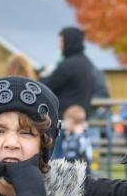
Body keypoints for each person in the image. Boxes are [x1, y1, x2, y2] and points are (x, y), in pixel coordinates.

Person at [40, 27, 99, 158]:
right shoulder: (87, 64)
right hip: (79, 120)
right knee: (78, 161)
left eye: (61, 41)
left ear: (69, 41)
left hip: (64, 122)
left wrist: (44, 73)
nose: (59, 45)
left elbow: (47, 86)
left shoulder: (68, 65)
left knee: (57, 162)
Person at [60, 104, 93, 169]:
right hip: (70, 168)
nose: (65, 124)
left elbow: (87, 155)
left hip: (81, 169)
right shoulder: (70, 136)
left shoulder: (81, 137)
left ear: (71, 121)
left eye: (66, 121)